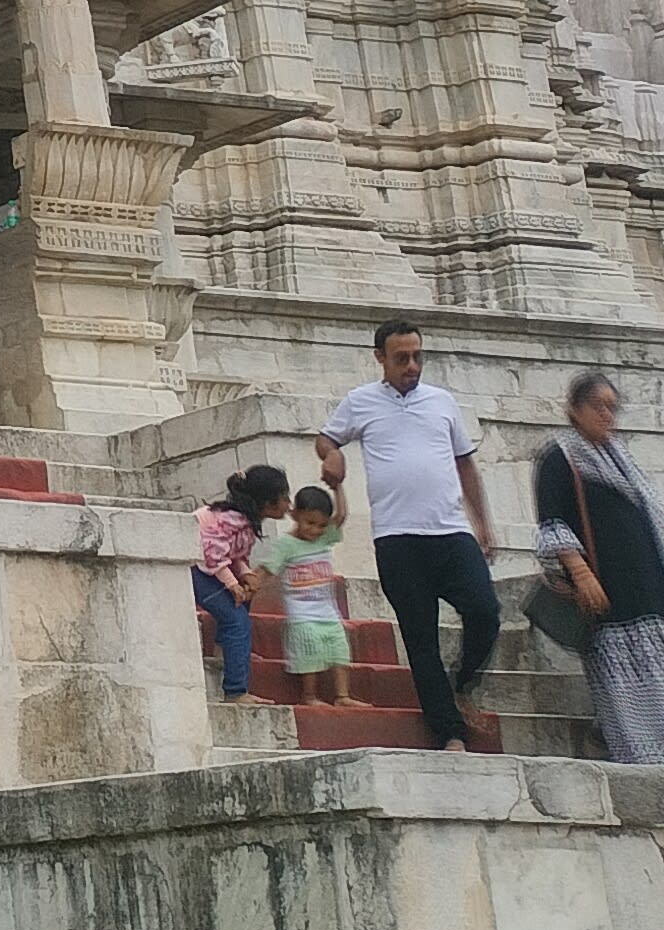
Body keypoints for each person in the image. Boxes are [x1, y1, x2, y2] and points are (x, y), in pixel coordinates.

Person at [320, 319, 500, 750]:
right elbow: (326, 439)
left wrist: (483, 523)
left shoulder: (442, 402)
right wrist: (334, 460)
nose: (412, 366)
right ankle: (449, 731)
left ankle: (463, 682)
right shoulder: (359, 402)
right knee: (421, 640)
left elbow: (465, 464)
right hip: (397, 539)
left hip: (451, 532)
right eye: (402, 358)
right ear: (380, 357)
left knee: (485, 611)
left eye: (418, 356)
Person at [536, 372, 664, 778]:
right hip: (610, 598)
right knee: (628, 691)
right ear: (574, 409)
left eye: (611, 407)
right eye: (597, 406)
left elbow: (653, 525)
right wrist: (581, 573)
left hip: (653, 592)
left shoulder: (623, 457)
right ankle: (642, 769)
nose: (606, 415)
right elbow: (553, 522)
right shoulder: (559, 458)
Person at [192, 463, 288, 701]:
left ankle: (226, 650)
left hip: (209, 567)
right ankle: (235, 691)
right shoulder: (232, 519)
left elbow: (235, 555)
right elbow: (212, 553)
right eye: (285, 499)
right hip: (196, 569)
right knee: (237, 621)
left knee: (243, 601)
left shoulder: (246, 522)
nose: (289, 505)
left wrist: (246, 576)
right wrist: (232, 584)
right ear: (268, 503)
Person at [261, 481, 360, 703]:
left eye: (322, 525)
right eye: (310, 523)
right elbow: (269, 568)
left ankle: (342, 696)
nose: (316, 530)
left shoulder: (324, 538)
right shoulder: (286, 544)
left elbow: (341, 515)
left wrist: (338, 488)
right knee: (309, 653)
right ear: (295, 515)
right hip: (302, 615)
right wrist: (250, 585)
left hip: (328, 613)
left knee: (340, 651)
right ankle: (309, 695)